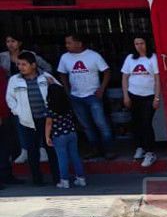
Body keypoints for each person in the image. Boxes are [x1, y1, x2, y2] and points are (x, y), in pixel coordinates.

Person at [6, 51, 60, 186]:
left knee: (51, 149)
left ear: (34, 65)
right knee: (32, 150)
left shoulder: (45, 77)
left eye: (24, 64)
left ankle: (57, 178)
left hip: (46, 120)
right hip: (27, 121)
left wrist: (52, 85)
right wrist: (18, 111)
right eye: (19, 64)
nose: (20, 67)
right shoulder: (14, 80)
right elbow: (9, 98)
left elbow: (59, 93)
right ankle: (37, 180)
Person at [57, 34, 114, 160]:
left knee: (101, 123)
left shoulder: (93, 56)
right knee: (86, 125)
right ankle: (95, 149)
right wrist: (67, 90)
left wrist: (101, 89)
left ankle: (109, 149)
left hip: (93, 95)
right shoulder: (65, 57)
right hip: (76, 96)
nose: (67, 46)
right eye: (66, 43)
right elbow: (62, 73)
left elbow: (107, 71)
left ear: (79, 43)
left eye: (69, 43)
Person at [121, 36, 161, 168]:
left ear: (147, 43)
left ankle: (150, 152)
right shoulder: (130, 58)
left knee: (146, 123)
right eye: (136, 44)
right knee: (136, 122)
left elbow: (157, 79)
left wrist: (156, 97)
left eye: (142, 43)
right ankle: (140, 147)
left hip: (149, 96)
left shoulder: (152, 58)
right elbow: (125, 77)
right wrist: (126, 96)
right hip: (134, 95)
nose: (139, 46)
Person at [44, 82, 85, 188]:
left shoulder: (51, 108)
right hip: (71, 133)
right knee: (75, 156)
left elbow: (49, 124)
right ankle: (81, 178)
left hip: (59, 135)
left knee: (62, 158)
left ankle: (64, 181)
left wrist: (47, 137)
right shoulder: (68, 105)